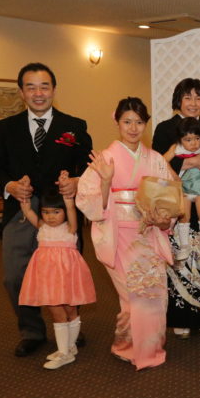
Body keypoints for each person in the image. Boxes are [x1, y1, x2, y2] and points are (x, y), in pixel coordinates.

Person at [0, 62, 92, 357]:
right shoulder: (7, 127)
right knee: (15, 276)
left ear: (54, 90)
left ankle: (71, 325)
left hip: (62, 213)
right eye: (30, 87)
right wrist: (10, 185)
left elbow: (89, 166)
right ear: (22, 92)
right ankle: (32, 331)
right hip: (20, 212)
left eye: (44, 86)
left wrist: (77, 181)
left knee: (66, 275)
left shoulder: (74, 126)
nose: (38, 93)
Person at [76, 97, 175, 370]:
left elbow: (169, 198)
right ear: (117, 122)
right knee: (133, 295)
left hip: (148, 233)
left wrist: (163, 218)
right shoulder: (105, 159)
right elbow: (88, 202)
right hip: (118, 234)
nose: (133, 128)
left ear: (146, 124)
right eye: (127, 121)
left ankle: (147, 347)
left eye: (139, 122)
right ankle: (125, 344)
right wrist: (106, 180)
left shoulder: (155, 159)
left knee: (154, 293)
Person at [151, 79, 200, 339]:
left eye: (198, 97)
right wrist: (190, 162)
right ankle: (179, 318)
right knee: (179, 260)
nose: (193, 103)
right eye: (187, 97)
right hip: (176, 205)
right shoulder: (165, 129)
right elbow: (156, 165)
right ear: (178, 100)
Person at [18, 187, 96, 370]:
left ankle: (67, 350)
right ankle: (65, 350)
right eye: (46, 212)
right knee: (57, 313)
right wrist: (25, 203)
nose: (50, 217)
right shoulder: (42, 227)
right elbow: (28, 212)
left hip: (67, 277)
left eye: (56, 212)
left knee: (71, 310)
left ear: (64, 212)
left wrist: (69, 202)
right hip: (48, 279)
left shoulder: (70, 228)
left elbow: (71, 210)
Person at [162, 117, 200, 260]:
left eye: (197, 138)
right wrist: (174, 175)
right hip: (184, 188)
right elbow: (161, 161)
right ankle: (184, 247)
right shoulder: (175, 148)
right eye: (188, 140)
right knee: (184, 217)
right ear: (180, 139)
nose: (194, 143)